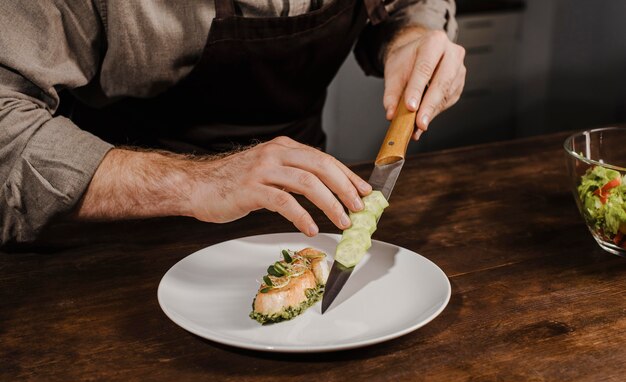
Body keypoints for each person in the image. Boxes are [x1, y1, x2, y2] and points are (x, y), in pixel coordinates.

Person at [0, 0, 465, 245]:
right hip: (113, 231)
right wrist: (192, 181)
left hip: (303, 218)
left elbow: (410, 6)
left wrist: (411, 37)